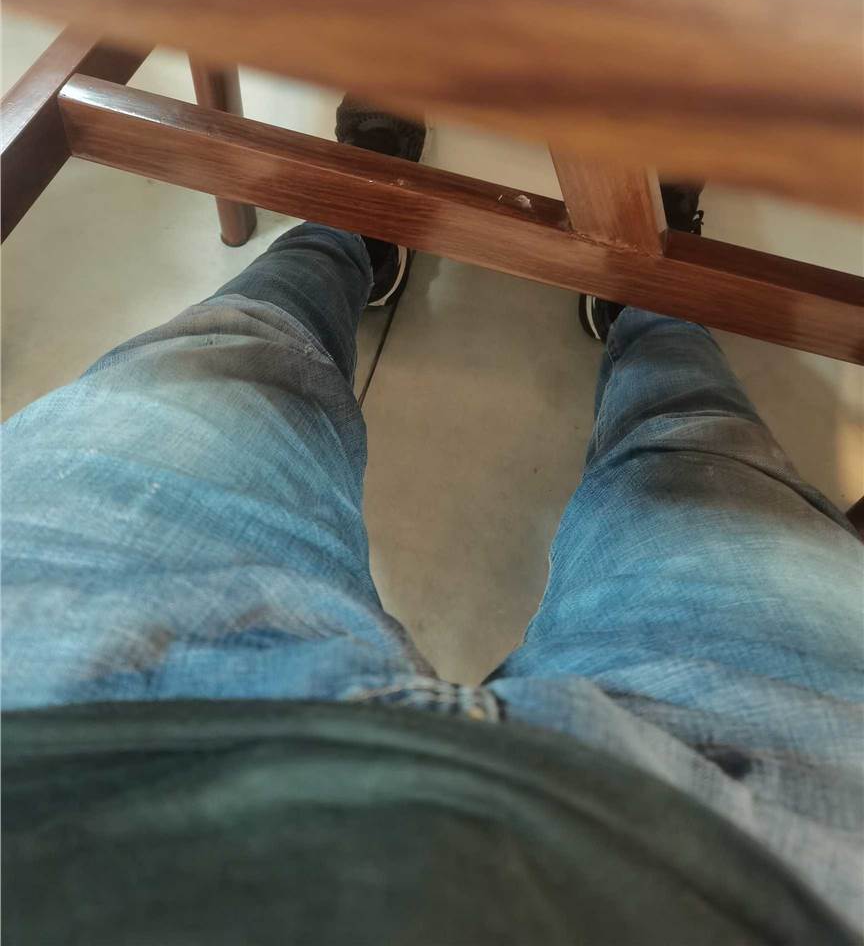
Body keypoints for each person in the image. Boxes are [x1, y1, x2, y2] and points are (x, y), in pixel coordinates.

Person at [3, 102, 862, 945]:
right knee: (697, 451)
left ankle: (352, 233)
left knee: (236, 353)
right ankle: (650, 298)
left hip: (56, 727)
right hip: (768, 855)